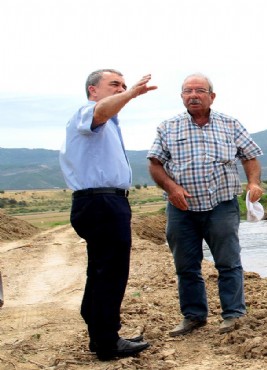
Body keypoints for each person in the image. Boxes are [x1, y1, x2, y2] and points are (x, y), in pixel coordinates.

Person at [147, 73, 264, 337]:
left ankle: (233, 315)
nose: (193, 95)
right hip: (182, 209)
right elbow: (155, 164)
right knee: (186, 265)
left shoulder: (230, 124)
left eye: (199, 90)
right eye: (187, 91)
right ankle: (194, 316)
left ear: (212, 96)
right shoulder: (168, 127)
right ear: (181, 97)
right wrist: (172, 188)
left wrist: (253, 183)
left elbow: (250, 157)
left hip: (221, 205)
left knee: (228, 262)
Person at [59, 69, 156, 361]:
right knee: (111, 274)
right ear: (93, 90)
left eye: (124, 85)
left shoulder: (108, 122)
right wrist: (131, 94)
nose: (121, 89)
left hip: (105, 202)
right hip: (101, 203)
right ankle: (107, 342)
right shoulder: (88, 112)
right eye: (114, 84)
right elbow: (100, 112)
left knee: (101, 272)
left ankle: (101, 336)